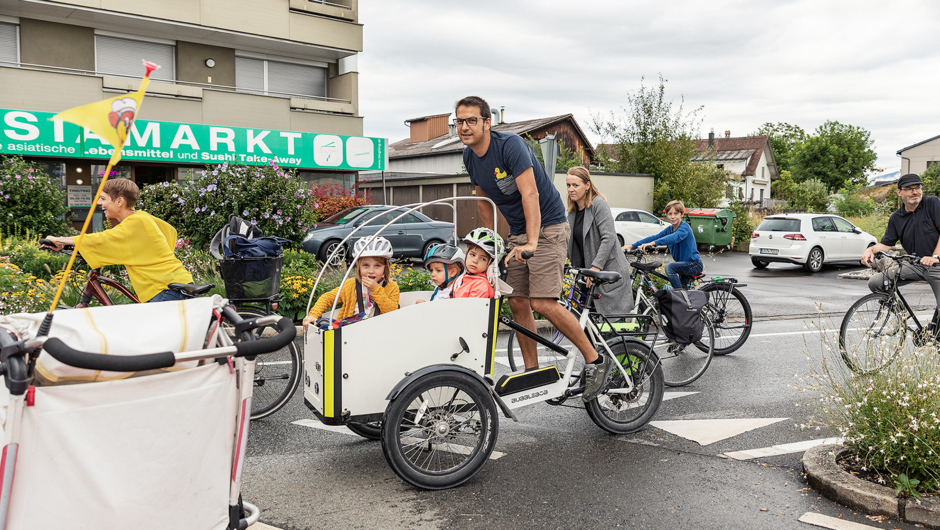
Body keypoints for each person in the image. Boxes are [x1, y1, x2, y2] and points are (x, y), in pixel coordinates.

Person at [457, 95, 610, 399]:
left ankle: (596, 361)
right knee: (516, 301)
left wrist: (531, 241)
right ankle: (533, 371)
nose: (464, 126)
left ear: (487, 123)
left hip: (549, 227)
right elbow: (484, 199)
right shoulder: (469, 157)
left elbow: (530, 195)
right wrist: (491, 242)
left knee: (542, 302)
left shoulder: (509, 145)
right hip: (518, 232)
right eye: (459, 121)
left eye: (471, 120)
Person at [44, 179, 194, 303]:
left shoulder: (136, 222)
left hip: (165, 288)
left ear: (119, 201)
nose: (99, 203)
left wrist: (59, 240)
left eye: (103, 199)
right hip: (173, 284)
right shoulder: (143, 217)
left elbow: (104, 239)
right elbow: (170, 231)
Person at [862, 173, 940, 307]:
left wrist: (935, 256)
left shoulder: (932, 203)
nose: (915, 192)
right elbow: (885, 245)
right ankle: (901, 315)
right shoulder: (896, 218)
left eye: (918, 188)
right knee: (876, 283)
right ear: (899, 192)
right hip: (915, 265)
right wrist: (870, 249)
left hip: (937, 265)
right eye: (910, 189)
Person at [565, 167, 632, 314]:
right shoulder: (573, 211)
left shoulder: (598, 204)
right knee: (586, 325)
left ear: (587, 185)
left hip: (606, 273)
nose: (571, 189)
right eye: (568, 185)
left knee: (608, 329)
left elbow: (609, 238)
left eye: (575, 185)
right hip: (586, 275)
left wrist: (595, 267)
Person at [302, 236, 400, 331]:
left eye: (377, 266)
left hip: (379, 332)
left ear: (385, 267)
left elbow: (392, 312)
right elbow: (327, 298)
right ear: (358, 265)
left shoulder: (391, 287)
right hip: (350, 333)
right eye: (366, 265)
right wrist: (313, 315)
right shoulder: (351, 285)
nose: (371, 271)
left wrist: (376, 289)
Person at [623, 200, 703, 289]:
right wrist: (631, 246)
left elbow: (674, 237)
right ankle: (680, 296)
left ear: (681, 214)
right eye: (670, 214)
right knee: (683, 296)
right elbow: (654, 237)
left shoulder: (685, 228)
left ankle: (679, 294)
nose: (672, 217)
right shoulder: (669, 229)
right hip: (682, 265)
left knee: (670, 267)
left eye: (676, 214)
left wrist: (654, 243)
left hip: (694, 264)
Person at [452, 228, 500, 299]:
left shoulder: (480, 285)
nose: (475, 261)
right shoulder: (461, 278)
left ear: (490, 264)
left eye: (483, 259)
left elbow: (471, 308)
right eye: (472, 255)